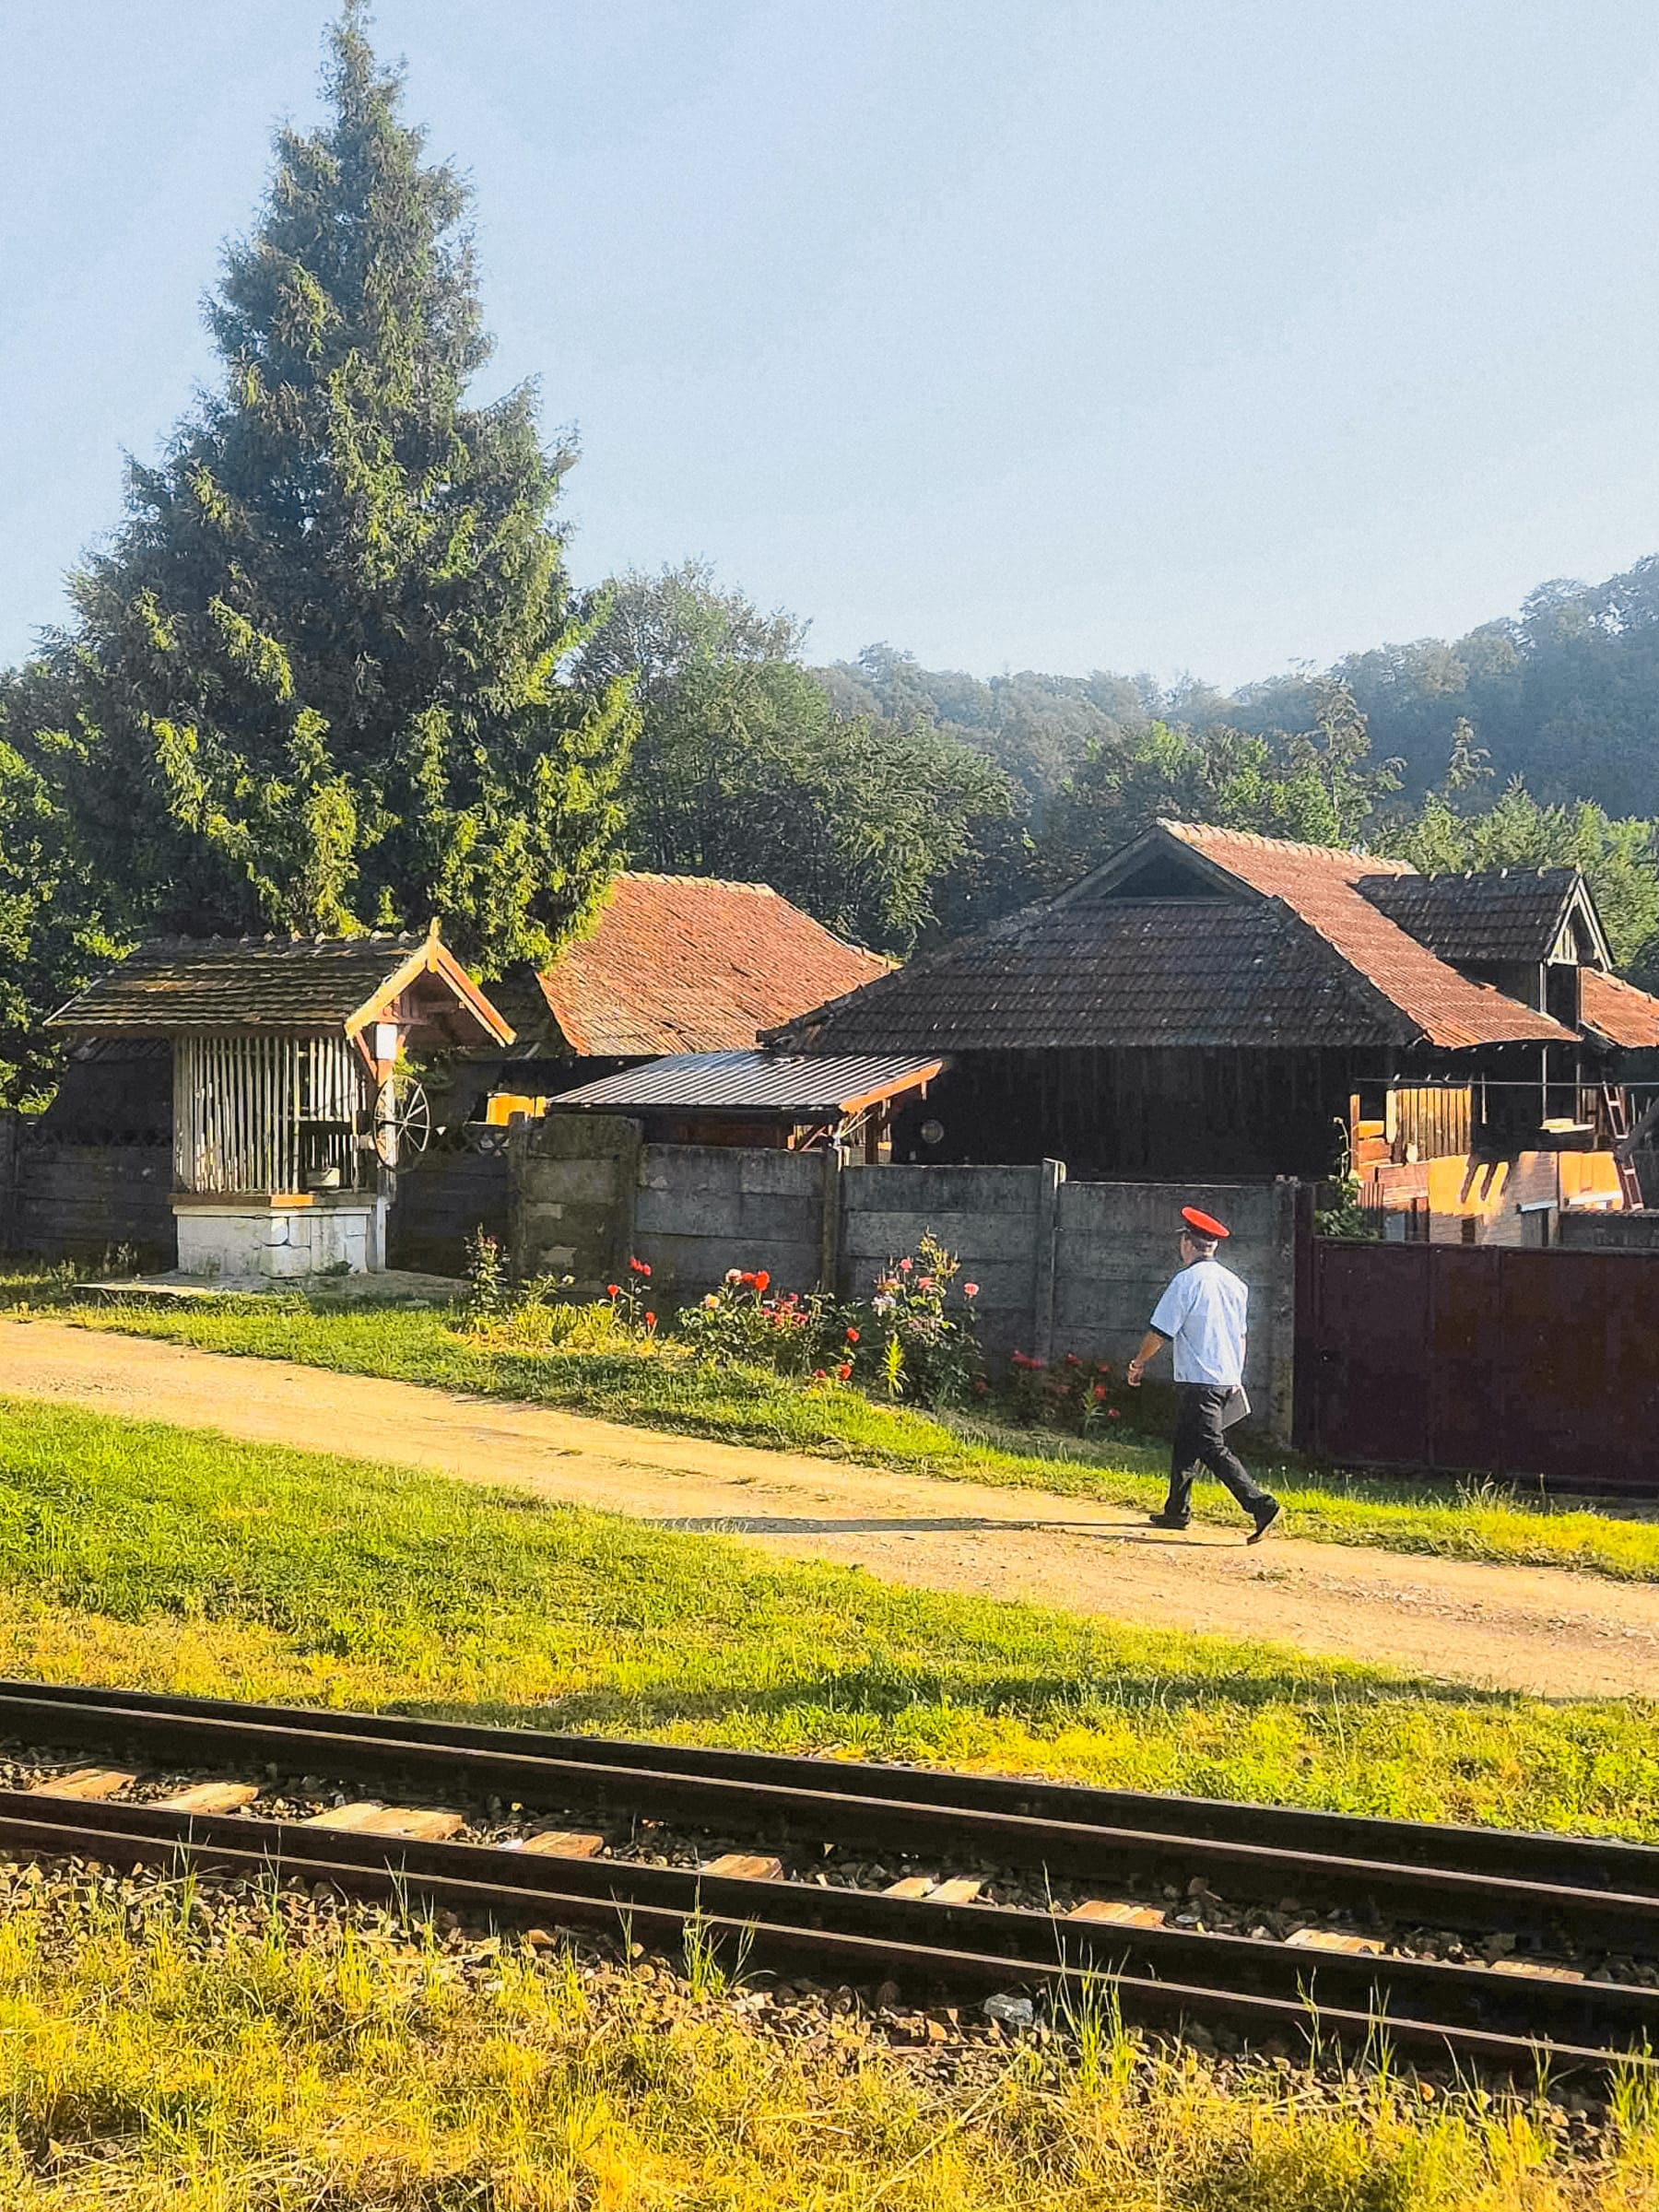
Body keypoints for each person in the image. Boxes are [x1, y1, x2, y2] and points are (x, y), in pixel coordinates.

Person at [1125, 1206, 1282, 1542]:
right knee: (1187, 1441)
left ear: (1187, 1242)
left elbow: (1160, 1331)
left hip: (1200, 1380)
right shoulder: (1236, 1284)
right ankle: (1176, 1510)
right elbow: (1241, 1336)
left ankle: (1260, 1504)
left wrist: (1138, 1363)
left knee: (1210, 1446)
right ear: (1212, 1246)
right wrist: (1236, 1376)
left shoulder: (1185, 1281)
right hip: (1226, 1377)